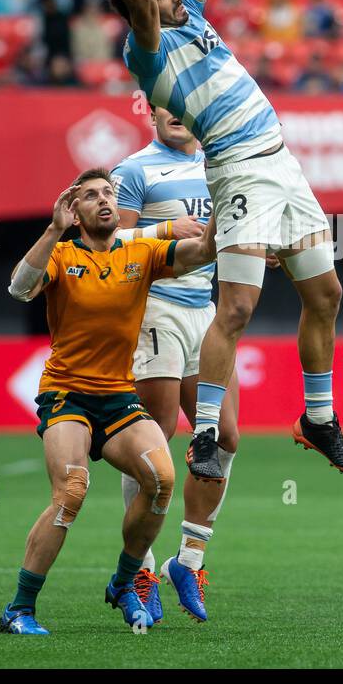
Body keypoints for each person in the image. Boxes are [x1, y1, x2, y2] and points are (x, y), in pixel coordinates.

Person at [44, 0, 343, 481]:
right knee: (238, 305)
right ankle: (209, 434)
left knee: (326, 295)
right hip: (239, 165)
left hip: (283, 163)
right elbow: (140, 2)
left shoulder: (189, 15)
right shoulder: (147, 53)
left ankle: (319, 419)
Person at [0, 168, 217, 635]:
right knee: (72, 492)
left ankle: (123, 582)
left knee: (161, 479)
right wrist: (53, 228)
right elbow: (19, 288)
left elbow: (204, 251)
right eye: (91, 195)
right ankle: (19, 608)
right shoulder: (61, 253)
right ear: (74, 211)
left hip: (118, 396)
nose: (103, 200)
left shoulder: (141, 252)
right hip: (67, 395)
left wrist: (221, 212)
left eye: (108, 193)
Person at [111, 106, 238, 623]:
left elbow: (226, 233)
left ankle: (188, 561)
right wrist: (165, 229)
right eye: (166, 106)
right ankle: (140, 569)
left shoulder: (220, 167)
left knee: (225, 436)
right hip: (155, 307)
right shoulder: (133, 170)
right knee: (156, 440)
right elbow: (108, 246)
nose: (176, 114)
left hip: (205, 310)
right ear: (152, 110)